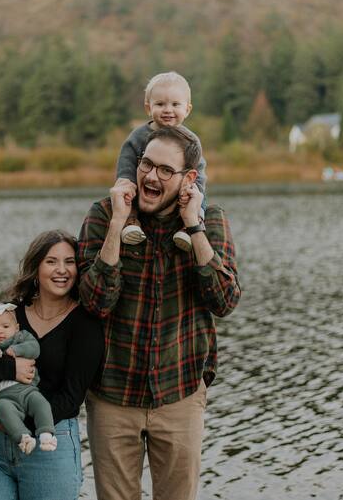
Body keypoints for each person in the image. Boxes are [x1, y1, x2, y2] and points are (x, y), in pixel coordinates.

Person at [78, 126, 242, 500]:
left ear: (189, 178)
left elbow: (224, 301)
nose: (151, 176)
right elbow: (95, 302)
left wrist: (194, 227)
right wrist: (118, 225)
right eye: (146, 164)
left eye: (165, 170)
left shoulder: (211, 220)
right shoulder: (104, 215)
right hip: (112, 394)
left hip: (179, 393)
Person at [0, 230, 104, 500]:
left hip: (50, 443)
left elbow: (71, 398)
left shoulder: (85, 323)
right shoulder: (10, 314)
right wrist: (11, 369)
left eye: (69, 262)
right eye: (51, 261)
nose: (62, 270)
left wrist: (16, 421)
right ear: (36, 268)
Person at [117, 71, 207, 251]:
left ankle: (189, 227)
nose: (167, 110)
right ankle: (131, 223)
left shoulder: (191, 140)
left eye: (175, 104)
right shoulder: (138, 136)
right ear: (148, 108)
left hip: (179, 191)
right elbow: (126, 162)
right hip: (142, 190)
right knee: (126, 193)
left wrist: (192, 189)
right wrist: (126, 181)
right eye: (160, 104)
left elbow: (199, 170)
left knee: (198, 197)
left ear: (187, 109)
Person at [0, 301, 57, 454]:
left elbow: (34, 349)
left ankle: (46, 434)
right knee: (3, 410)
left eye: (5, 326)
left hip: (27, 391)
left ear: (16, 328)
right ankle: (23, 438)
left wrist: (17, 349)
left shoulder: (20, 337)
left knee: (41, 403)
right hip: (4, 398)